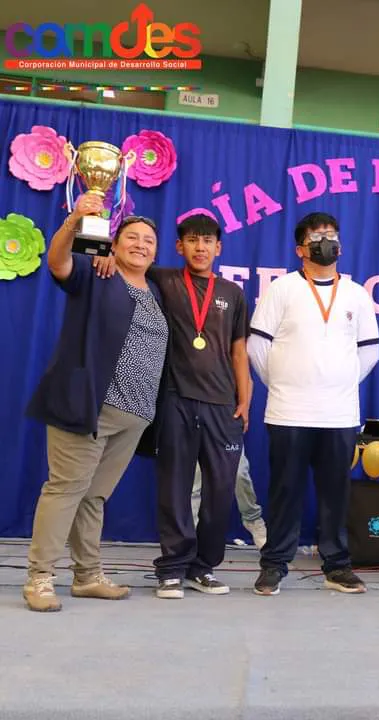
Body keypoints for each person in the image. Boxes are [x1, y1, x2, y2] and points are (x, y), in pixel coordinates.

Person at [23, 197, 167, 612]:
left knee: (94, 496)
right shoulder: (95, 272)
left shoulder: (155, 288)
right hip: (89, 405)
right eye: (132, 238)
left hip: (135, 414)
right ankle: (40, 578)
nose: (141, 245)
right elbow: (57, 262)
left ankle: (87, 576)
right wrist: (73, 221)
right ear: (114, 245)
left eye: (149, 241)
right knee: (66, 489)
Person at [247, 212, 379, 596]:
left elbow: (369, 352)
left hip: (339, 414)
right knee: (285, 492)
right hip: (288, 410)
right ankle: (274, 564)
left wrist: (336, 382)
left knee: (336, 495)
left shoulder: (356, 294)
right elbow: (258, 347)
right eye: (317, 236)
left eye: (332, 235)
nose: (327, 241)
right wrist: (286, 384)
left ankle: (337, 566)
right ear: (300, 249)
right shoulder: (282, 289)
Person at [138, 213, 252, 599]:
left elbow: (239, 349)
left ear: (218, 247)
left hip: (223, 404)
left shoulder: (233, 293)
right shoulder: (165, 280)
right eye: (192, 240)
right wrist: (104, 255)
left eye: (207, 241)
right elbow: (127, 263)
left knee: (220, 491)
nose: (200, 247)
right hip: (176, 399)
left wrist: (245, 396)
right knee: (174, 487)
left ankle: (203, 567)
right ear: (179, 246)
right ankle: (171, 567)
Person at [192, 448, 267, 549]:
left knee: (239, 474)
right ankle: (192, 532)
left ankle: (252, 520)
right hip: (198, 433)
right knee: (196, 480)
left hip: (228, 433)